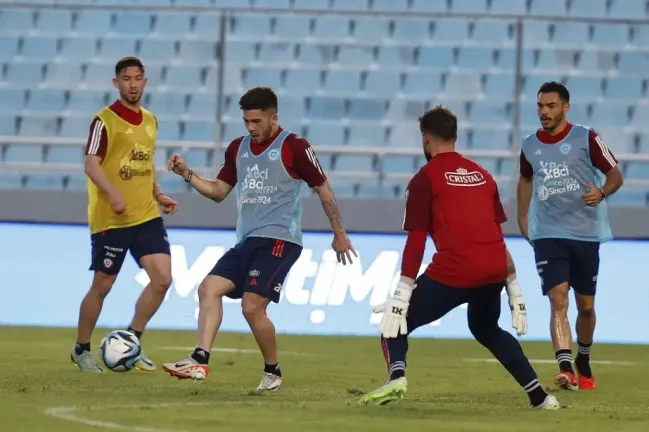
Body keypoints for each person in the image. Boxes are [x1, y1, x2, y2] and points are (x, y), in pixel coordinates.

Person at [358, 106, 559, 410]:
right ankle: (540, 397)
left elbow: (416, 243)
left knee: (394, 324)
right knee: (487, 329)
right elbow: (495, 236)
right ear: (454, 135)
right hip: (493, 271)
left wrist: (401, 294)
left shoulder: (424, 178)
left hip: (455, 271)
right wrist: (514, 288)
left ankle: (396, 377)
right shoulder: (483, 176)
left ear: (425, 138)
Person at [162, 86, 357, 391]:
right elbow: (218, 192)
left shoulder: (295, 146)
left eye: (257, 121)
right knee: (208, 288)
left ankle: (272, 371)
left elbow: (323, 188)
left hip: (280, 239)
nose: (251, 128)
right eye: (246, 122)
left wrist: (339, 232)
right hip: (247, 241)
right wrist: (187, 174)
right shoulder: (237, 148)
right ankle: (199, 360)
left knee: (252, 307)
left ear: (273, 117)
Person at [71, 56, 178, 372]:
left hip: (146, 214)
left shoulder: (150, 120)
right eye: (126, 79)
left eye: (138, 78)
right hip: (111, 218)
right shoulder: (104, 121)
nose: (133, 84)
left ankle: (131, 340)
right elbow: (91, 163)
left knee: (162, 279)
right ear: (116, 83)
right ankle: (81, 349)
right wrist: (113, 192)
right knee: (102, 287)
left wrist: (158, 193)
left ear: (145, 81)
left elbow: (145, 162)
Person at [517, 81, 623, 391]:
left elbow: (615, 173)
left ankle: (584, 357)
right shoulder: (529, 145)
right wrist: (524, 217)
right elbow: (525, 179)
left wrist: (602, 192)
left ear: (565, 107)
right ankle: (565, 367)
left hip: (585, 235)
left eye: (550, 106)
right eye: (540, 106)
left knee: (586, 306)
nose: (544, 112)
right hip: (548, 232)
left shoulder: (586, 138)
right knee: (557, 299)